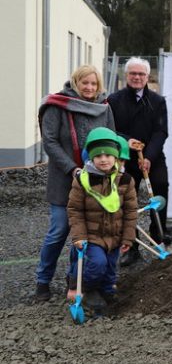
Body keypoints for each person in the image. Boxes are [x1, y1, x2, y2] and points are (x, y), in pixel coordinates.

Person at [35, 65, 115, 302]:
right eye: (84, 83)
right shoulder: (57, 105)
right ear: (75, 83)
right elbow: (49, 141)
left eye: (93, 83)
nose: (89, 88)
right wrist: (72, 168)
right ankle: (42, 281)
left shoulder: (104, 107)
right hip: (64, 180)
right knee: (59, 230)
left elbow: (110, 139)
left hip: (95, 183)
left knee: (86, 234)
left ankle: (74, 280)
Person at [66, 127, 137, 313]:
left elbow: (130, 211)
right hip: (92, 236)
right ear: (91, 157)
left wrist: (128, 237)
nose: (103, 159)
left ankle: (106, 292)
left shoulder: (125, 180)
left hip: (115, 235)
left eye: (108, 155)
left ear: (116, 157)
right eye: (98, 156)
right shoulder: (82, 180)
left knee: (111, 268)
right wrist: (79, 236)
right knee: (97, 264)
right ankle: (87, 289)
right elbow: (75, 210)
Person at [108, 57, 170, 266]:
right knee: (127, 198)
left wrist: (149, 157)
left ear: (147, 76)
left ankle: (159, 236)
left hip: (151, 156)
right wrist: (126, 141)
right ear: (126, 75)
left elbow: (161, 131)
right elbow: (110, 129)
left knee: (160, 186)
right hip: (125, 158)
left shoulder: (158, 101)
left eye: (141, 74)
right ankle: (131, 244)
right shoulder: (114, 100)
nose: (137, 77)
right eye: (133, 73)